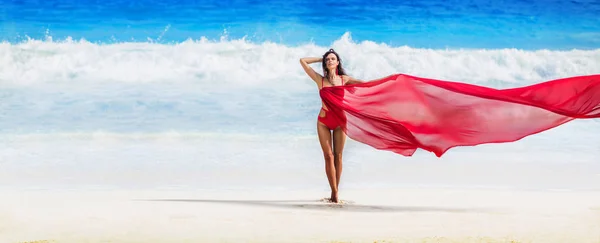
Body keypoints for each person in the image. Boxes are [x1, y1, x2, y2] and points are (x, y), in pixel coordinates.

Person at [299, 49, 363, 203]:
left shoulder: (344, 79)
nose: (329, 61)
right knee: (329, 157)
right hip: (324, 122)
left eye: (332, 59)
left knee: (339, 157)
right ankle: (334, 193)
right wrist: (320, 58)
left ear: (338, 62)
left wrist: (389, 81)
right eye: (327, 60)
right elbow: (303, 61)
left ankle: (335, 192)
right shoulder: (319, 80)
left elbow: (366, 84)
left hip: (341, 121)